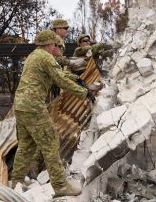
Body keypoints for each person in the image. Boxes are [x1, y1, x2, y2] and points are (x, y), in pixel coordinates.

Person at [11, 30, 94, 197]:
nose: (57, 48)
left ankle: (16, 182)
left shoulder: (34, 55)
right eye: (56, 45)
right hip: (33, 106)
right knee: (51, 142)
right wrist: (84, 93)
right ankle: (61, 185)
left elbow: (59, 74)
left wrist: (74, 78)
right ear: (50, 44)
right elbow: (60, 80)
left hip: (21, 105)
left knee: (26, 145)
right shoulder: (46, 57)